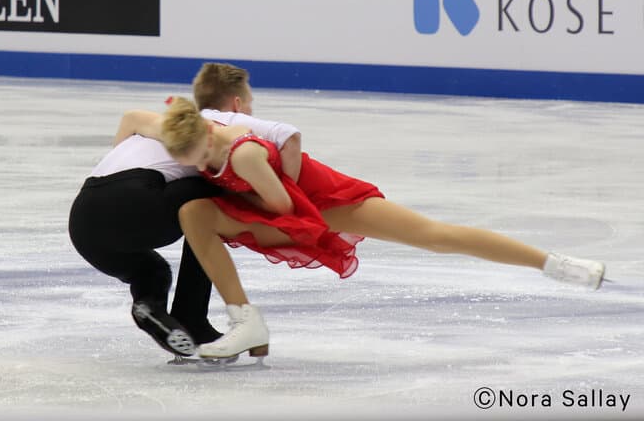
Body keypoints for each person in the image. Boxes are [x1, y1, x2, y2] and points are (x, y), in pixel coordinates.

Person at [119, 95, 607, 360]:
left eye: (196, 160)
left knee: (436, 236)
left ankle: (554, 263)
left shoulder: (243, 153)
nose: (191, 165)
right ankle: (246, 319)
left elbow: (283, 204)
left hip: (323, 203)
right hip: (279, 209)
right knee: (195, 214)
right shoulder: (191, 133)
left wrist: (230, 199)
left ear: (207, 139)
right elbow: (135, 119)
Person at [68, 63, 299, 357]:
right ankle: (192, 318)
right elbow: (289, 136)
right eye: (249, 107)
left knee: (152, 272)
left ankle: (152, 314)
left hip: (85, 223)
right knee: (213, 203)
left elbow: (130, 118)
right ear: (237, 104)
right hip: (136, 200)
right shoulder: (221, 123)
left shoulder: (166, 123)